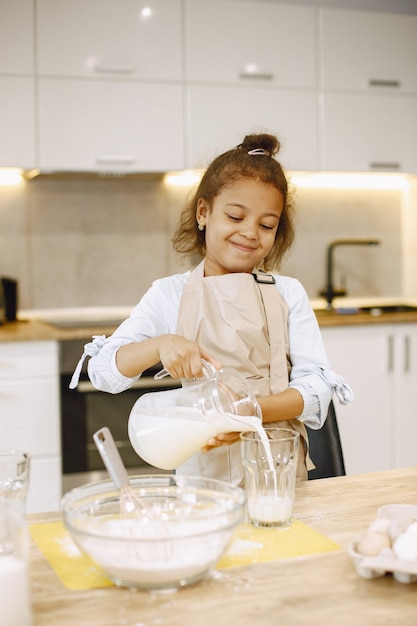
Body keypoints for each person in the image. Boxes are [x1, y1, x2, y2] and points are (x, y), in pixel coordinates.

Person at [70, 133, 353, 483]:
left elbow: (316, 388)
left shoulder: (287, 294)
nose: (250, 233)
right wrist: (160, 345)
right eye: (235, 217)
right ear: (204, 212)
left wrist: (250, 412)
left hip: (278, 476)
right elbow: (103, 372)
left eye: (267, 224)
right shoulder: (169, 294)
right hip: (203, 484)